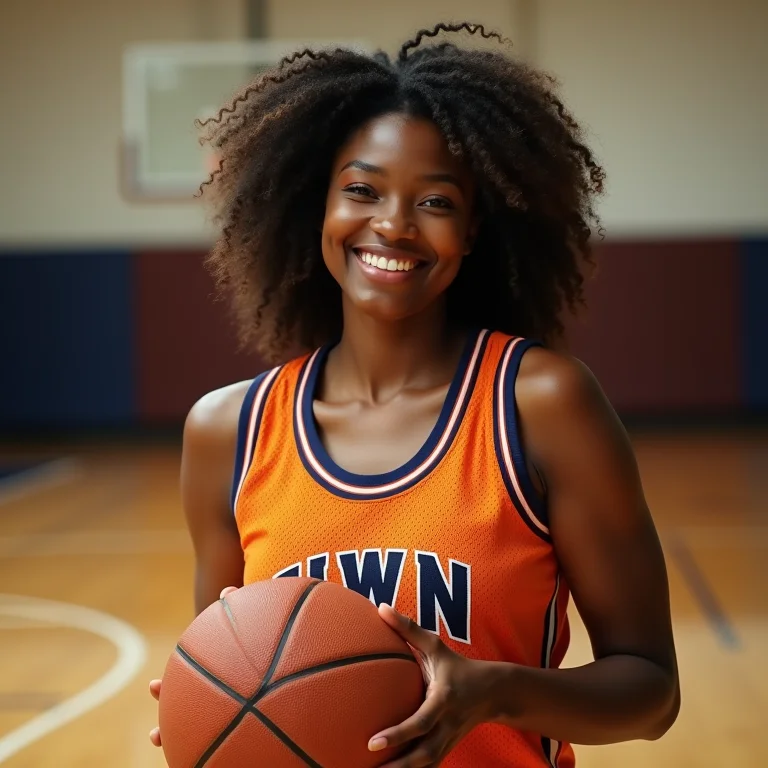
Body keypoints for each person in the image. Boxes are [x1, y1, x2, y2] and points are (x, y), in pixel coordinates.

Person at [149, 22, 680, 767]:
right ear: (316, 207)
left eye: (435, 202)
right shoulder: (227, 433)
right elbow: (239, 671)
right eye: (362, 190)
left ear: (472, 231)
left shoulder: (540, 405)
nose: (392, 226)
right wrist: (211, 706)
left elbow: (651, 691)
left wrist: (494, 693)